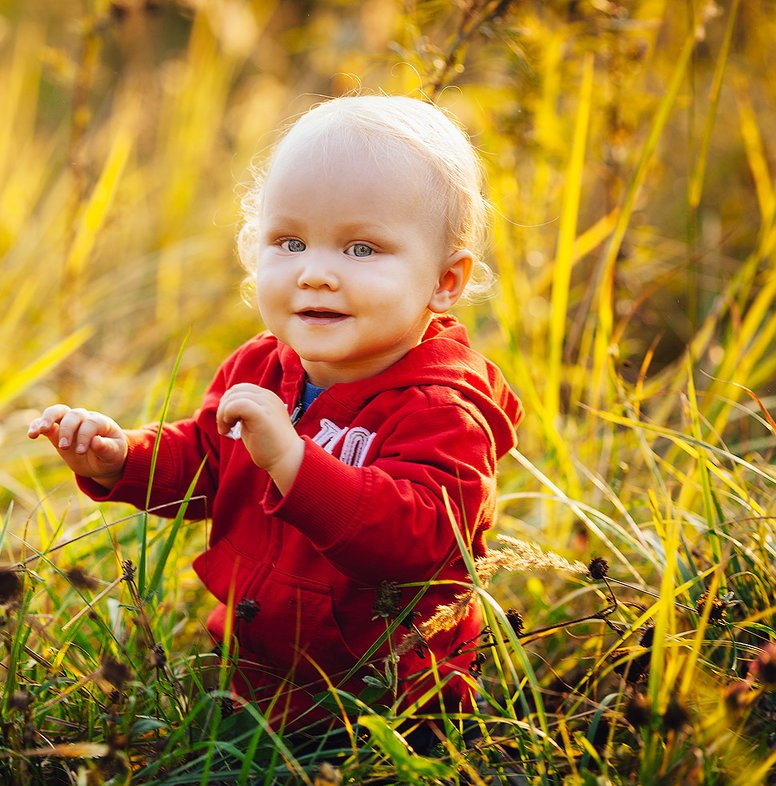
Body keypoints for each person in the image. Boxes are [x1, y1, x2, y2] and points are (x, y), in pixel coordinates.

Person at [27, 93, 523, 733]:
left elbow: (423, 540)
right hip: (257, 677)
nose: (315, 273)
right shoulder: (262, 366)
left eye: (362, 249)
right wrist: (122, 457)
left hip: (386, 707)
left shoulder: (441, 407)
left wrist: (294, 461)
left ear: (445, 281)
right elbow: (209, 462)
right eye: (290, 241)